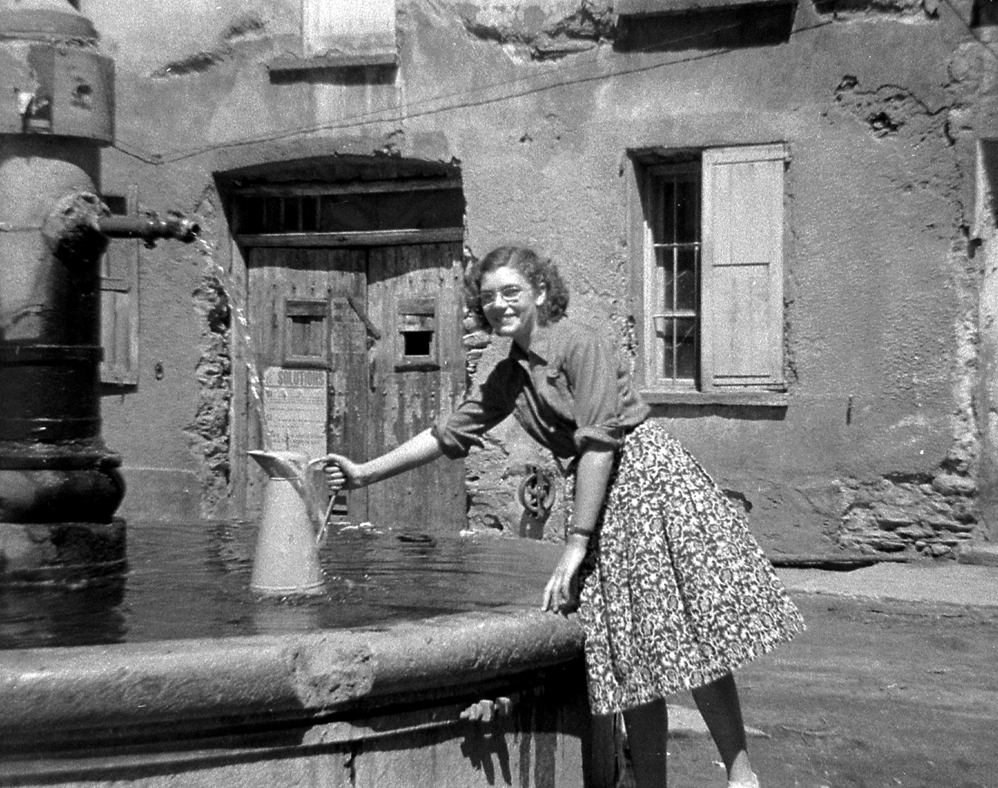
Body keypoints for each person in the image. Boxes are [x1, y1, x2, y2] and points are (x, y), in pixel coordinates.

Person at [320, 245, 804, 788]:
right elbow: (446, 434)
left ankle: (741, 778)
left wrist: (575, 545)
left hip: (647, 482)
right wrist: (365, 472)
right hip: (605, 499)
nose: (499, 305)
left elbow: (599, 444)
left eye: (511, 293)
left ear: (540, 294)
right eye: (488, 298)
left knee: (692, 640)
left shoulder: (579, 344)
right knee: (634, 657)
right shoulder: (509, 375)